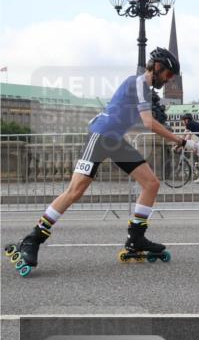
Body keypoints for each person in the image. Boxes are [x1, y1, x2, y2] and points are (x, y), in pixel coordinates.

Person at [5, 48, 187, 276]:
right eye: (169, 75)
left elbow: (140, 121)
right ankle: (32, 239)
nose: (168, 80)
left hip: (114, 140)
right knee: (75, 191)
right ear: (158, 67)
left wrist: (168, 133)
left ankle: (136, 239)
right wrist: (178, 139)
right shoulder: (139, 82)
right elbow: (149, 123)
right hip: (100, 136)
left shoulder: (144, 90)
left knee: (151, 183)